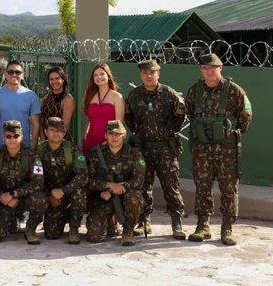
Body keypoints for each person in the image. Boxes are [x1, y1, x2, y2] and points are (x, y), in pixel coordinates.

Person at [185, 53, 252, 246]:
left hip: (227, 151)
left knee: (228, 189)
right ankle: (202, 225)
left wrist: (231, 133)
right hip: (202, 150)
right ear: (201, 70)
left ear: (220, 68)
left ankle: (227, 227)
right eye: (205, 68)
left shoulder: (234, 91)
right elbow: (189, 112)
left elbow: (246, 114)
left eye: (212, 68)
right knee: (202, 187)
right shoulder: (194, 91)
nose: (209, 71)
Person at [125, 59, 187, 240]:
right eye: (145, 73)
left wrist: (168, 132)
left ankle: (177, 222)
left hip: (166, 150)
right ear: (141, 75)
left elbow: (179, 116)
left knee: (171, 186)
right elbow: (129, 117)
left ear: (158, 74)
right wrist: (139, 133)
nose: (149, 75)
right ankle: (144, 221)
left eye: (152, 72)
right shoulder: (134, 96)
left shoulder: (169, 94)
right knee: (144, 186)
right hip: (143, 149)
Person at [87, 120, 146, 246]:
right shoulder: (96, 154)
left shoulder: (134, 154)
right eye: (111, 133)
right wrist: (108, 186)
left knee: (135, 197)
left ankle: (128, 230)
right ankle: (109, 224)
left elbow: (139, 180)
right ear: (105, 135)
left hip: (126, 196)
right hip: (104, 198)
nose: (114, 137)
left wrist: (116, 188)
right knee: (95, 236)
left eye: (118, 134)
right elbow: (89, 180)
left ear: (124, 135)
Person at [0, 120, 47, 244]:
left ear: (22, 137)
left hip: (24, 198)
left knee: (40, 198)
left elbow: (38, 183)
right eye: (8, 136)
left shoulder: (31, 156)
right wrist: (1, 196)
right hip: (3, 200)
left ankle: (30, 230)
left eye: (16, 136)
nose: (12, 139)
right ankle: (12, 221)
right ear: (3, 137)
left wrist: (14, 194)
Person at [36, 117, 87, 244]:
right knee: (51, 234)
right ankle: (63, 216)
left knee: (79, 194)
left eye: (59, 130)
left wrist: (64, 190)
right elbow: (35, 178)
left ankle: (74, 229)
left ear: (64, 133)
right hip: (52, 195)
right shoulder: (40, 151)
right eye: (52, 130)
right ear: (46, 132)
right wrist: (49, 195)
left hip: (69, 192)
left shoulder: (72, 150)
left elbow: (82, 176)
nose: (56, 133)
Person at [0, 60, 41, 150]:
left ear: (22, 75)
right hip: (0, 145)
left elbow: (35, 123)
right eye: (10, 72)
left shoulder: (31, 96)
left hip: (23, 146)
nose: (14, 75)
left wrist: (33, 145)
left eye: (17, 72)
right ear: (5, 74)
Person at [81, 63, 124, 157]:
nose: (99, 77)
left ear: (108, 76)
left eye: (102, 74)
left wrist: (111, 142)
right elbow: (89, 120)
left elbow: (119, 124)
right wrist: (85, 134)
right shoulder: (89, 96)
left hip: (107, 144)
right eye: (95, 75)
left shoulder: (117, 97)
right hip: (90, 142)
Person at [40, 66, 75, 141]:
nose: (54, 81)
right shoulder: (45, 99)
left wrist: (54, 143)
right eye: (51, 79)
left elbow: (65, 126)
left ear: (63, 80)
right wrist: (44, 142)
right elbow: (41, 124)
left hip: (61, 141)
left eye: (57, 78)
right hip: (46, 141)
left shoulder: (67, 99)